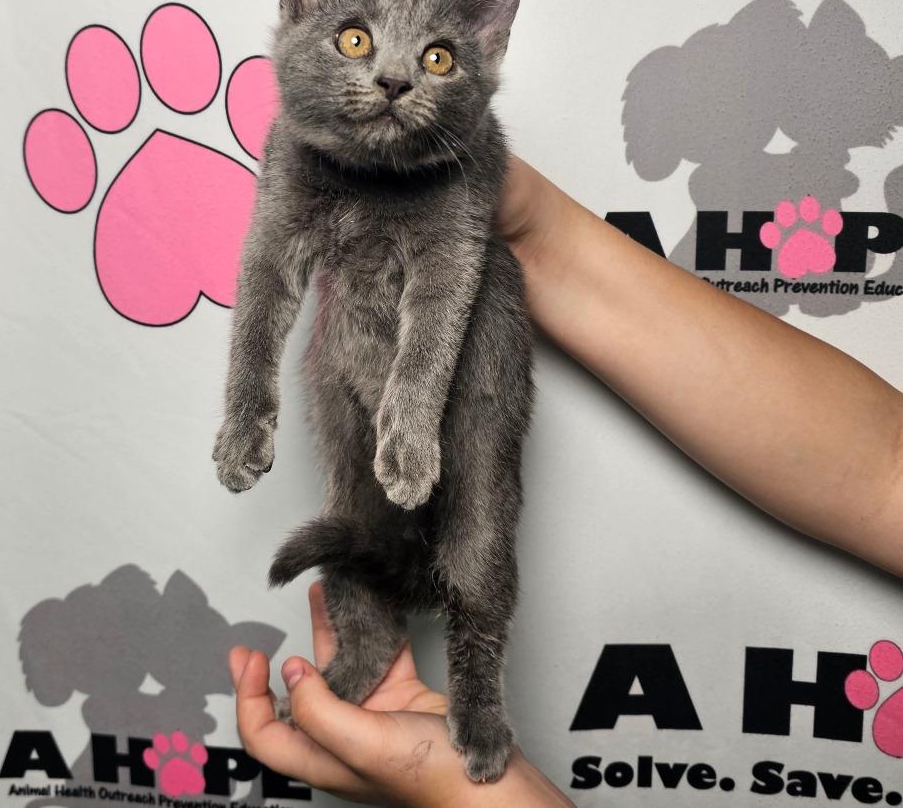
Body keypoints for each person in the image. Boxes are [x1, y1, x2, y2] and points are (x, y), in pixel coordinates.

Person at [227, 156, 903, 807]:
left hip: (466, 379)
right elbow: (887, 468)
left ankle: (479, 696)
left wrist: (462, 796)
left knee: (478, 523)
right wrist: (250, 408)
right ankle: (367, 639)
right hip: (349, 362)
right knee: (354, 499)